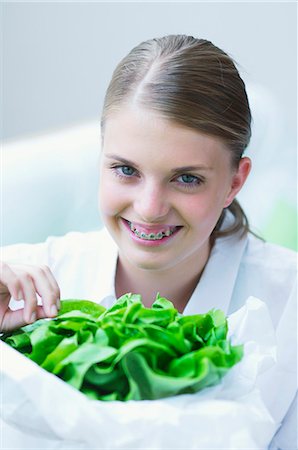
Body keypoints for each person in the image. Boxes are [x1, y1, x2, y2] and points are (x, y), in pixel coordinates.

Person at [1, 35, 296, 448]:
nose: (150, 208)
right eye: (126, 170)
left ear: (235, 182)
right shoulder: (22, 282)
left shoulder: (289, 308)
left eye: (187, 178)